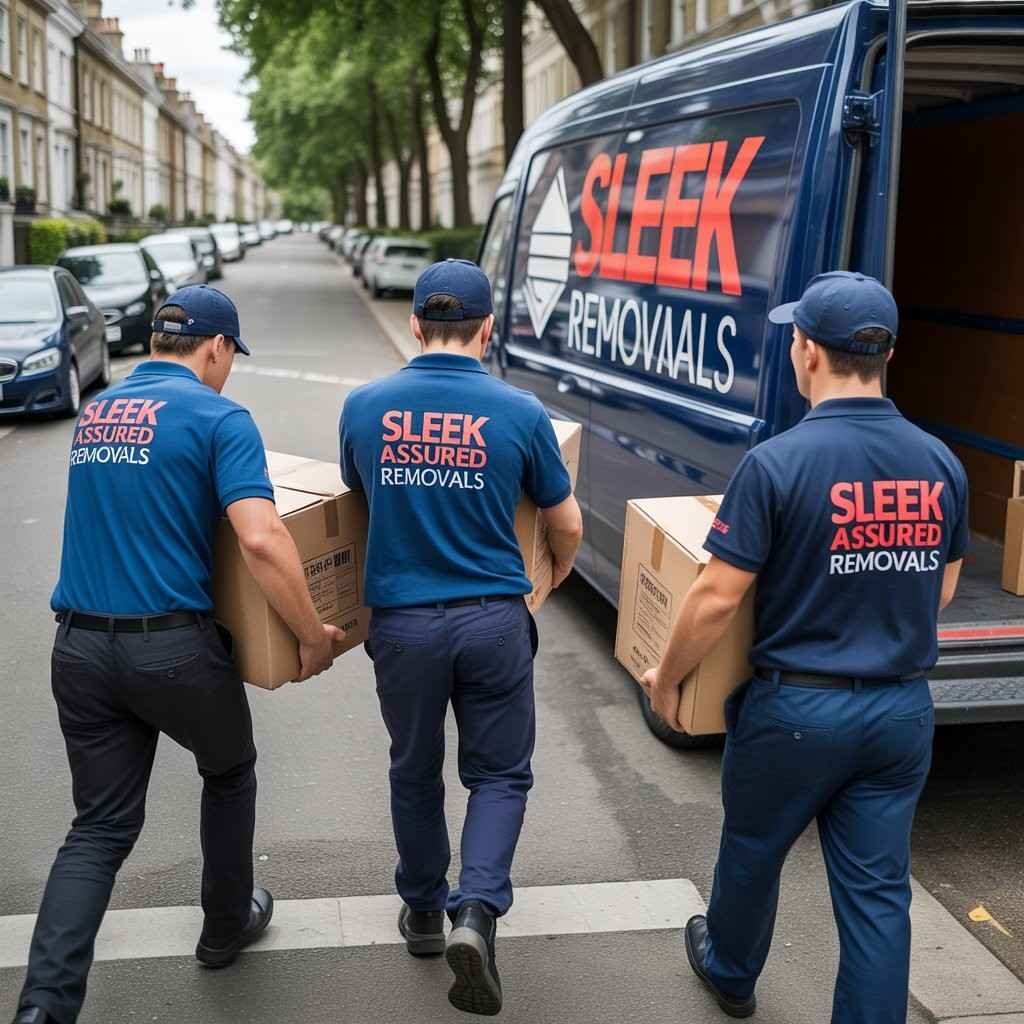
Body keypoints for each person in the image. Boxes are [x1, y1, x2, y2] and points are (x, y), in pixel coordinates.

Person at [640, 272, 967, 1024]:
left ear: (809, 352)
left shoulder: (778, 462)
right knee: (878, 894)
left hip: (797, 710)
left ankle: (731, 972)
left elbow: (717, 597)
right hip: (900, 712)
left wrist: (668, 679)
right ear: (886, 355)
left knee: (754, 848)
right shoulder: (939, 461)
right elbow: (941, 592)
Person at [13, 286, 342, 1024]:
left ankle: (42, 1008)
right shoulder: (220, 417)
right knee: (228, 770)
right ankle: (224, 925)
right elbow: (260, 537)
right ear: (217, 347)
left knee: (98, 829)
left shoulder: (98, 411)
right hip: (171, 649)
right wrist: (311, 634)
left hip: (79, 648)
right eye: (231, 355)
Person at [339, 259, 583, 1016]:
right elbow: (566, 522)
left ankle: (421, 909)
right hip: (492, 619)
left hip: (403, 624)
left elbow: (358, 495)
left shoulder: (364, 407)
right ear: (488, 329)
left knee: (414, 768)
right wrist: (547, 581)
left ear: (415, 324)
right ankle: (474, 912)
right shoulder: (521, 412)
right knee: (500, 775)